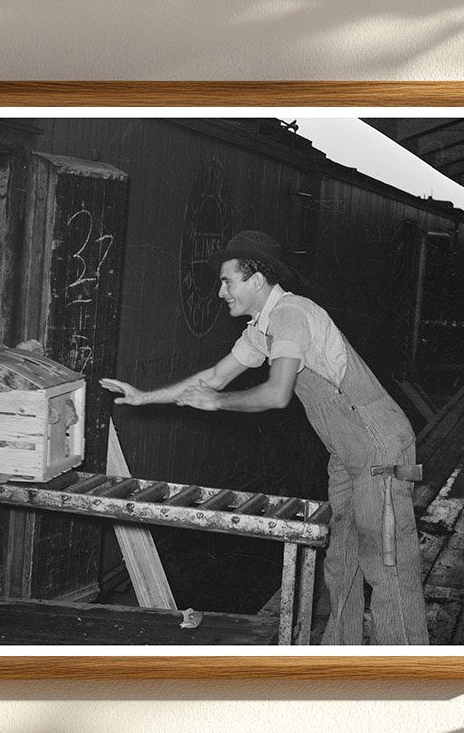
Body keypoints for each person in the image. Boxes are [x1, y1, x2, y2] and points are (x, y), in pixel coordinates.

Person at [100, 230, 428, 646]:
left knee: (388, 564)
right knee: (343, 562)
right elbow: (214, 378)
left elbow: (276, 394)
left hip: (378, 443)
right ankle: (341, 657)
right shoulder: (263, 327)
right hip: (345, 452)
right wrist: (145, 397)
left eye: (227, 281)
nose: (221, 292)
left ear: (256, 280)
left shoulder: (291, 314)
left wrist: (218, 404)